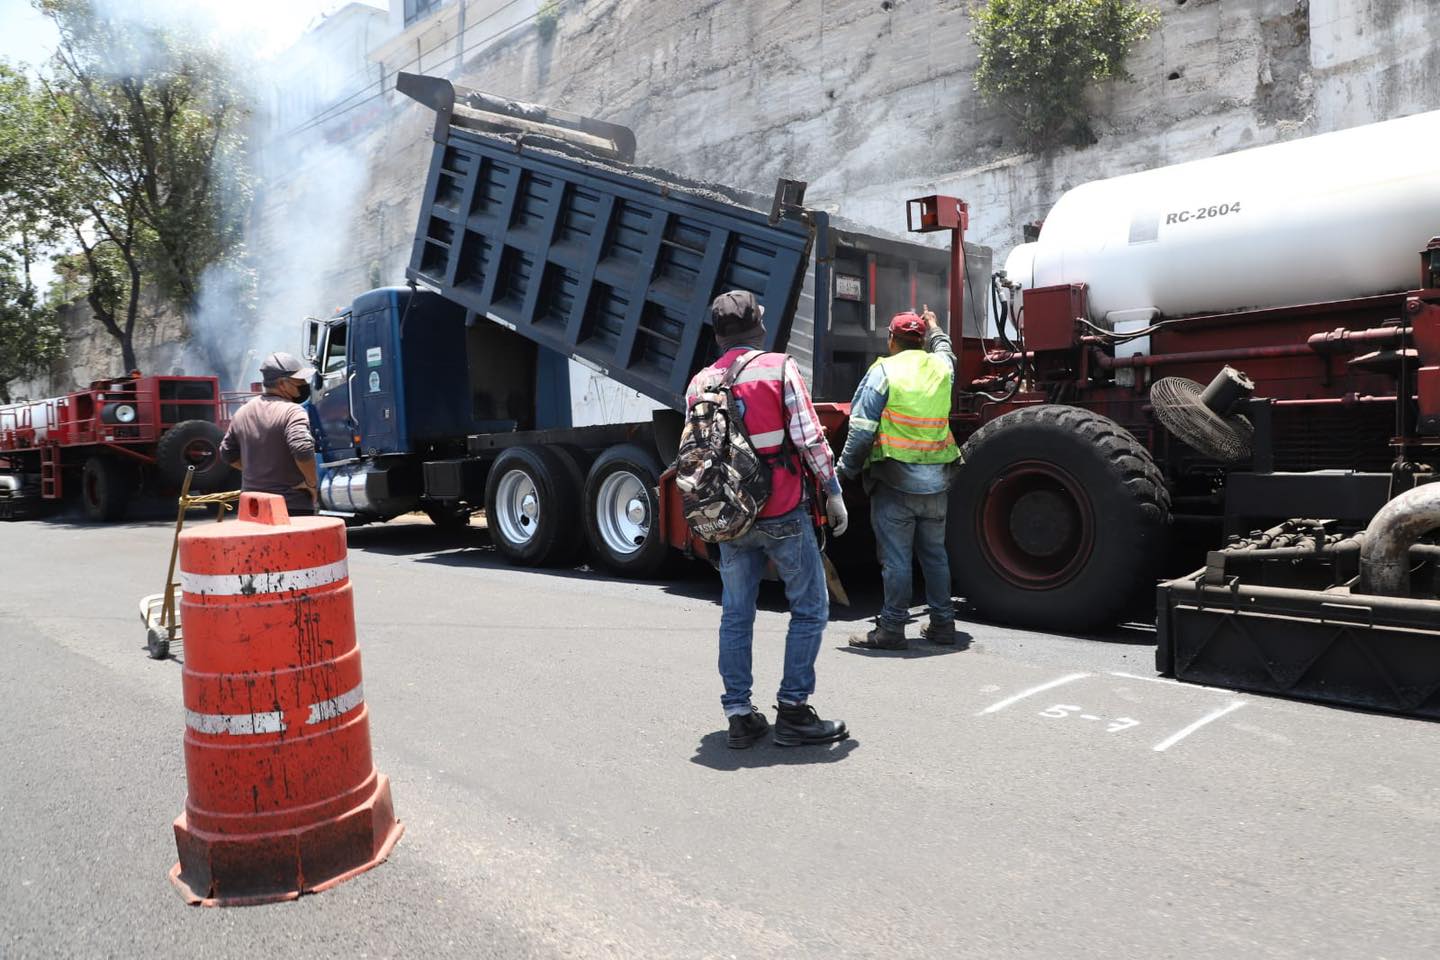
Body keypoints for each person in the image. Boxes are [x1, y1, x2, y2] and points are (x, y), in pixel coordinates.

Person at [685, 290, 850, 749]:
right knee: (810, 608)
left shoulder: (700, 382)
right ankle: (794, 711)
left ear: (718, 335)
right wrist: (834, 492)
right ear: (758, 325)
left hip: (731, 519)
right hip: (782, 510)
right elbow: (810, 438)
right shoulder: (779, 367)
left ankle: (739, 715)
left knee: (736, 615)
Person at [839, 307, 961, 650]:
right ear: (920, 340)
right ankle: (943, 625)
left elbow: (861, 431)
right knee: (935, 556)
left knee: (896, 559)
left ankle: (891, 629)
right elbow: (946, 351)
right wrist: (936, 326)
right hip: (937, 479)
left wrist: (842, 473)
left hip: (895, 481)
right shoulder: (940, 367)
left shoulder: (883, 371)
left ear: (891, 340)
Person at [219, 351, 320, 516]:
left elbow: (227, 453)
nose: (304, 383)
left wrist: (258, 471)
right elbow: (302, 448)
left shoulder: (242, 413)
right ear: (282, 383)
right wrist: (311, 483)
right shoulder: (292, 411)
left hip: (252, 509)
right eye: (299, 380)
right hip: (290, 507)